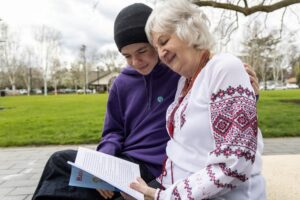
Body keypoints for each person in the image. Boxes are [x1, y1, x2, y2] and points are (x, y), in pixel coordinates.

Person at [32, 3, 260, 200]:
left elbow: (221, 109)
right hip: (122, 164)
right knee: (61, 164)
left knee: (76, 187)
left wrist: (250, 95)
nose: (136, 61)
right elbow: (112, 131)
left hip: (156, 169)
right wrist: (104, 161)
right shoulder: (123, 83)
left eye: (143, 51)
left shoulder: (180, 73)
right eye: (127, 55)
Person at [129, 0, 266, 199]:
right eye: (156, 47)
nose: (160, 52)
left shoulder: (224, 68)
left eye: (164, 41)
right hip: (171, 185)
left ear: (189, 30)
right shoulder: (184, 82)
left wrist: (162, 196)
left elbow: (235, 162)